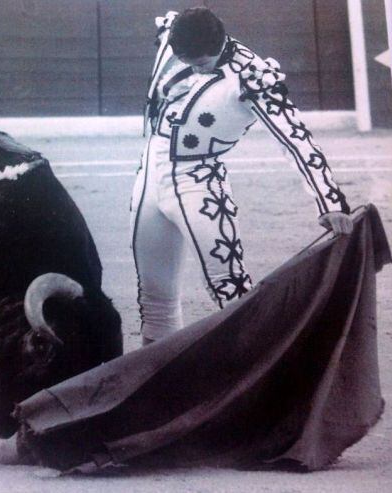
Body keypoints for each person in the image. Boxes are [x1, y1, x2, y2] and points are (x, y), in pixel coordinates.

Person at [130, 7, 354, 345]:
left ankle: (261, 384)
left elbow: (294, 137)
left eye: (201, 64)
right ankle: (154, 384)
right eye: (185, 61)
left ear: (220, 43)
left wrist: (330, 199)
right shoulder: (170, 36)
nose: (193, 69)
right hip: (149, 174)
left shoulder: (252, 75)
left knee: (231, 290)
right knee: (154, 298)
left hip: (199, 181)